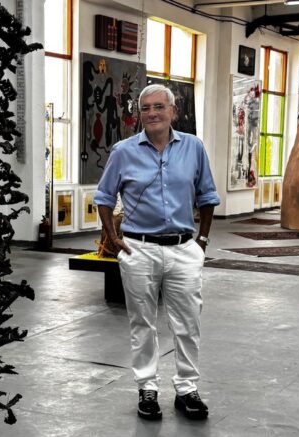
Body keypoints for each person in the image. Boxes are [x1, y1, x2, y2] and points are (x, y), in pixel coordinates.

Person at [95, 84, 220, 421]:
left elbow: (207, 196)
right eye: (146, 108)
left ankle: (187, 389)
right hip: (139, 249)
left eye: (159, 107)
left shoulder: (193, 147)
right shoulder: (123, 151)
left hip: (183, 249)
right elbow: (104, 198)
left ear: (173, 111)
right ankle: (147, 388)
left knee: (188, 323)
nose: (152, 113)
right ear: (139, 114)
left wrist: (202, 241)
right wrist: (114, 239)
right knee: (142, 323)